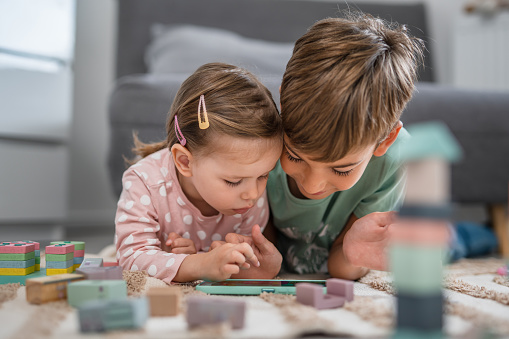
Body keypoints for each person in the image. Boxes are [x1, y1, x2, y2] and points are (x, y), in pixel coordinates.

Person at [221, 13, 425, 280]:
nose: (313, 185)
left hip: (339, 249)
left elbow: (344, 267)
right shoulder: (260, 138)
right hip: (286, 253)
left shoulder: (395, 157)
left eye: (341, 170)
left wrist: (354, 252)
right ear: (282, 102)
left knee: (453, 242)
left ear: (385, 140)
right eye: (294, 156)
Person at [115, 63, 284, 284]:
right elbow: (130, 259)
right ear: (185, 161)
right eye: (234, 181)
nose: (253, 193)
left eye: (264, 175)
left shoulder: (249, 194)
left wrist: (260, 268)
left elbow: (235, 265)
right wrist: (198, 264)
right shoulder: (145, 182)